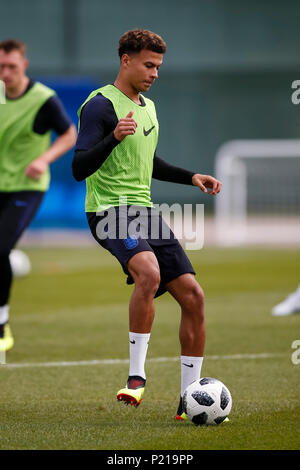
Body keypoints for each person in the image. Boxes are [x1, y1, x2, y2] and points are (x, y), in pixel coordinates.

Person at [72, 29, 222, 420]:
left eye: (158, 66)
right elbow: (78, 167)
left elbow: (148, 162)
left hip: (143, 211)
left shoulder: (148, 107)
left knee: (193, 296)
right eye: (148, 65)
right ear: (126, 60)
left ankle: (190, 396)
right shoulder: (101, 106)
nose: (155, 73)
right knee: (148, 272)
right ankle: (136, 377)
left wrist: (192, 176)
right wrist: (114, 138)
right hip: (107, 211)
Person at [0, 39, 77, 353]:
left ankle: (1, 325)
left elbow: (70, 134)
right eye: (1, 67)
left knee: (0, 248)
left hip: (26, 187)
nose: (5, 73)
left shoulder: (43, 98)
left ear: (24, 66)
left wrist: (43, 159)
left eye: (12, 67)